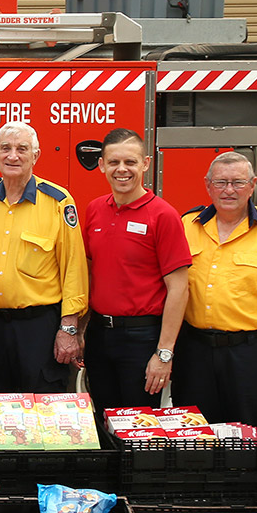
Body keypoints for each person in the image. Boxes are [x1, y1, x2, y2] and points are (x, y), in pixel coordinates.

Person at [176, 151, 257, 433]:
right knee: (194, 434)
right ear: (208, 185)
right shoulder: (187, 226)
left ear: (253, 185)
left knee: (249, 434)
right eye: (220, 182)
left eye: (238, 182)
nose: (229, 190)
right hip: (194, 351)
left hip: (250, 354)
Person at [0, 122, 88, 392]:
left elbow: (74, 268)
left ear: (35, 156)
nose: (13, 156)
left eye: (22, 149)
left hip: (39, 329)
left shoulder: (58, 202)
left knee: (41, 409)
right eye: (6, 149)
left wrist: (69, 329)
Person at [80, 128, 192, 412]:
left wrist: (164, 354)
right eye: (114, 162)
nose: (122, 170)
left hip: (142, 339)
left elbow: (179, 288)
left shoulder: (163, 215)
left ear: (146, 163)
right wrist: (81, 330)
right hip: (100, 335)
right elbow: (90, 273)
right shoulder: (94, 210)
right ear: (102, 165)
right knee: (104, 422)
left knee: (138, 427)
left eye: (130, 162)